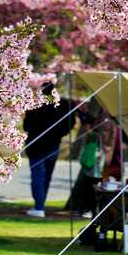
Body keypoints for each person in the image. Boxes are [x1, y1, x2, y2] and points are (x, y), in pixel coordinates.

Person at [23, 82, 76, 218]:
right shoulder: (64, 105)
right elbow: (70, 123)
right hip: (53, 144)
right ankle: (40, 205)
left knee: (38, 176)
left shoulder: (35, 105)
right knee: (46, 176)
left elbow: (27, 126)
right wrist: (60, 133)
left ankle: (39, 206)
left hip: (37, 146)